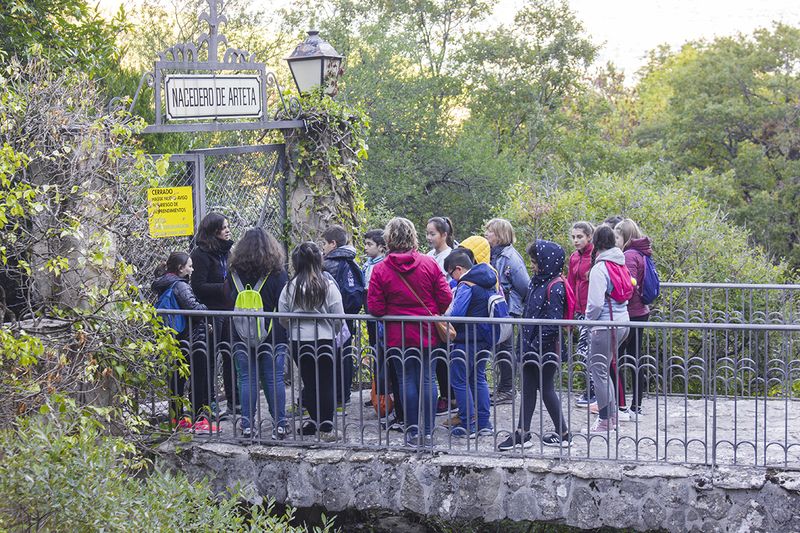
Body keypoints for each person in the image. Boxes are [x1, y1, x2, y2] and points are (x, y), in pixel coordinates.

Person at [367, 217, 453, 447]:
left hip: (398, 334)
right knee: (427, 380)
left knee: (405, 381)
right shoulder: (429, 263)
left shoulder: (380, 269)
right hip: (427, 332)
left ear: (389, 239)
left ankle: (412, 432)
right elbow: (446, 297)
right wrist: (434, 311)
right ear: (412, 236)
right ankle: (427, 431)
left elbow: (374, 307)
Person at [498, 240, 572, 450]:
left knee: (546, 388)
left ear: (546, 262)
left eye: (535, 262)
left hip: (545, 349)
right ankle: (523, 433)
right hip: (531, 346)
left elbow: (553, 324)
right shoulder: (538, 281)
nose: (532, 266)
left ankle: (564, 434)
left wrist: (534, 346)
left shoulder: (555, 286)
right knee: (529, 388)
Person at [225, 228, 289, 439]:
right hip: (273, 332)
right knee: (273, 379)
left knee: (246, 379)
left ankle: (247, 426)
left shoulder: (233, 272)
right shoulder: (278, 272)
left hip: (240, 332)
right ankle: (280, 425)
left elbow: (228, 298)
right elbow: (283, 300)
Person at [279, 242, 344, 439]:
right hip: (324, 339)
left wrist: (294, 328)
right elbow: (339, 316)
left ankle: (315, 420)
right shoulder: (328, 285)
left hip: (300, 340)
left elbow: (283, 316)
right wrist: (331, 329)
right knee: (325, 383)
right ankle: (326, 426)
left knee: (309, 381)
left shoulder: (290, 287)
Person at [152, 252, 217, 433]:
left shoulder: (164, 283)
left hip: (175, 338)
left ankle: (177, 417)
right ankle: (199, 419)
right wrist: (207, 308)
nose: (192, 269)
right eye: (189, 266)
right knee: (198, 379)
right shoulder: (180, 286)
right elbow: (194, 309)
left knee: (177, 379)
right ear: (180, 269)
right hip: (192, 338)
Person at [443, 249, 495, 439]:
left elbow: (457, 316)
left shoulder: (466, 284)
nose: (452, 279)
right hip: (484, 339)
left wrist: (444, 317)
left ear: (458, 269)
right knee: (478, 379)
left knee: (460, 381)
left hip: (466, 341)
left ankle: (468, 424)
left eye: (451, 274)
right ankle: (484, 423)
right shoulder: (488, 281)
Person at [190, 212, 238, 419]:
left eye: (228, 226)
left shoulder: (227, 252)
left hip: (228, 311)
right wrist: (224, 288)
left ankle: (234, 402)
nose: (228, 230)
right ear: (213, 231)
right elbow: (198, 286)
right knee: (210, 359)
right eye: (224, 227)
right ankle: (209, 405)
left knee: (231, 355)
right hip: (211, 313)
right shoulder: (200, 255)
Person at [585, 225, 630, 433]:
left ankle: (605, 420)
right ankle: (612, 418)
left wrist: (588, 322)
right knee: (605, 370)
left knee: (599, 371)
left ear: (595, 242)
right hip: (622, 322)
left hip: (605, 325)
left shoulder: (600, 268)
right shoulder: (620, 263)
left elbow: (594, 304)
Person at [484, 218, 530, 406]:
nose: (486, 234)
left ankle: (508, 389)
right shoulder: (494, 254)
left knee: (506, 349)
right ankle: (504, 388)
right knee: (500, 349)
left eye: (490, 231)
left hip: (508, 309)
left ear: (501, 235)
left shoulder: (510, 257)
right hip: (498, 308)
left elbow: (525, 286)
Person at [362, 229, 402, 427]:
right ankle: (381, 396)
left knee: (398, 369)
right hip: (378, 322)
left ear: (383, 247)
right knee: (381, 359)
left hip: (388, 323)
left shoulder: (382, 267)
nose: (366, 248)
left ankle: (400, 411)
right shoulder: (368, 266)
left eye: (370, 244)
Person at [321, 224, 364, 408]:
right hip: (346, 320)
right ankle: (343, 395)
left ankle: (335, 397)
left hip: (333, 320)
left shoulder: (331, 264)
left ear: (333, 243)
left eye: (324, 243)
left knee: (333, 358)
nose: (322, 247)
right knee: (344, 356)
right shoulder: (351, 261)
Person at [615, 218, 652, 419]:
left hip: (630, 313)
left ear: (626, 237)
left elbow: (627, 286)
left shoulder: (629, 255)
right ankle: (635, 406)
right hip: (640, 312)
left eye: (618, 236)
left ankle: (625, 406)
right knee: (634, 359)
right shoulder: (641, 252)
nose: (615, 240)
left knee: (618, 359)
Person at [426, 216, 458, 418]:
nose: (429, 237)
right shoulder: (429, 255)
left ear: (444, 234)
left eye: (432, 234)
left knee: (446, 358)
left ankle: (450, 396)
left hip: (445, 313)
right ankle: (444, 394)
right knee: (437, 358)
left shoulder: (451, 256)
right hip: (432, 313)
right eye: (427, 233)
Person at [567, 221, 595, 408]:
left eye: (580, 237)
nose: (576, 240)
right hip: (578, 310)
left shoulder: (596, 255)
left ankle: (593, 391)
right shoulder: (574, 258)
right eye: (574, 237)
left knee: (588, 351)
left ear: (589, 237)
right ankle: (591, 390)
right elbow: (570, 284)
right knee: (585, 351)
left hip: (592, 311)